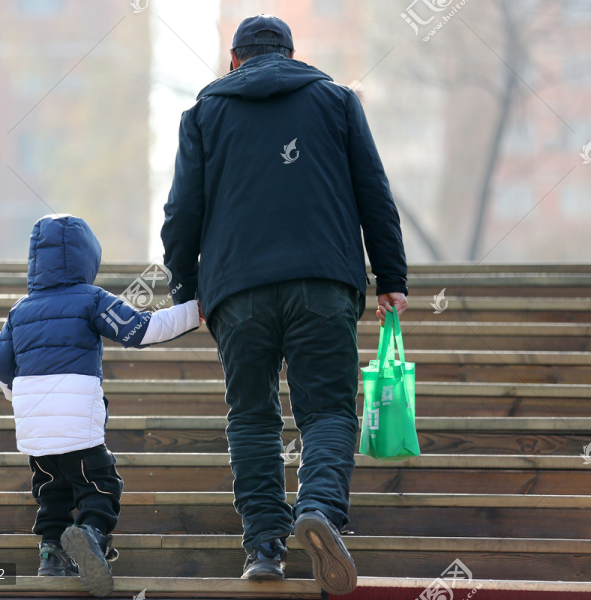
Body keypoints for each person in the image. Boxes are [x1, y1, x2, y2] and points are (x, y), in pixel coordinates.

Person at [159, 14, 409, 596]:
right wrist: (390, 277)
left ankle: (263, 546)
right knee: (327, 411)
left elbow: (181, 213)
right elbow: (374, 191)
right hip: (322, 281)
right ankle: (318, 508)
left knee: (251, 415)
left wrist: (185, 290)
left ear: (234, 60)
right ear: (292, 55)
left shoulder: (202, 114)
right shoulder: (336, 101)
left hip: (236, 291)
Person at [0, 214, 200, 597]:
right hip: (76, 418)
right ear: (89, 259)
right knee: (99, 482)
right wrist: (192, 312)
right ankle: (91, 533)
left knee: (51, 490)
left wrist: (14, 394)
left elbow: (0, 363)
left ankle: (51, 554)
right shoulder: (91, 298)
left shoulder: (19, 310)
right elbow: (140, 330)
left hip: (34, 424)